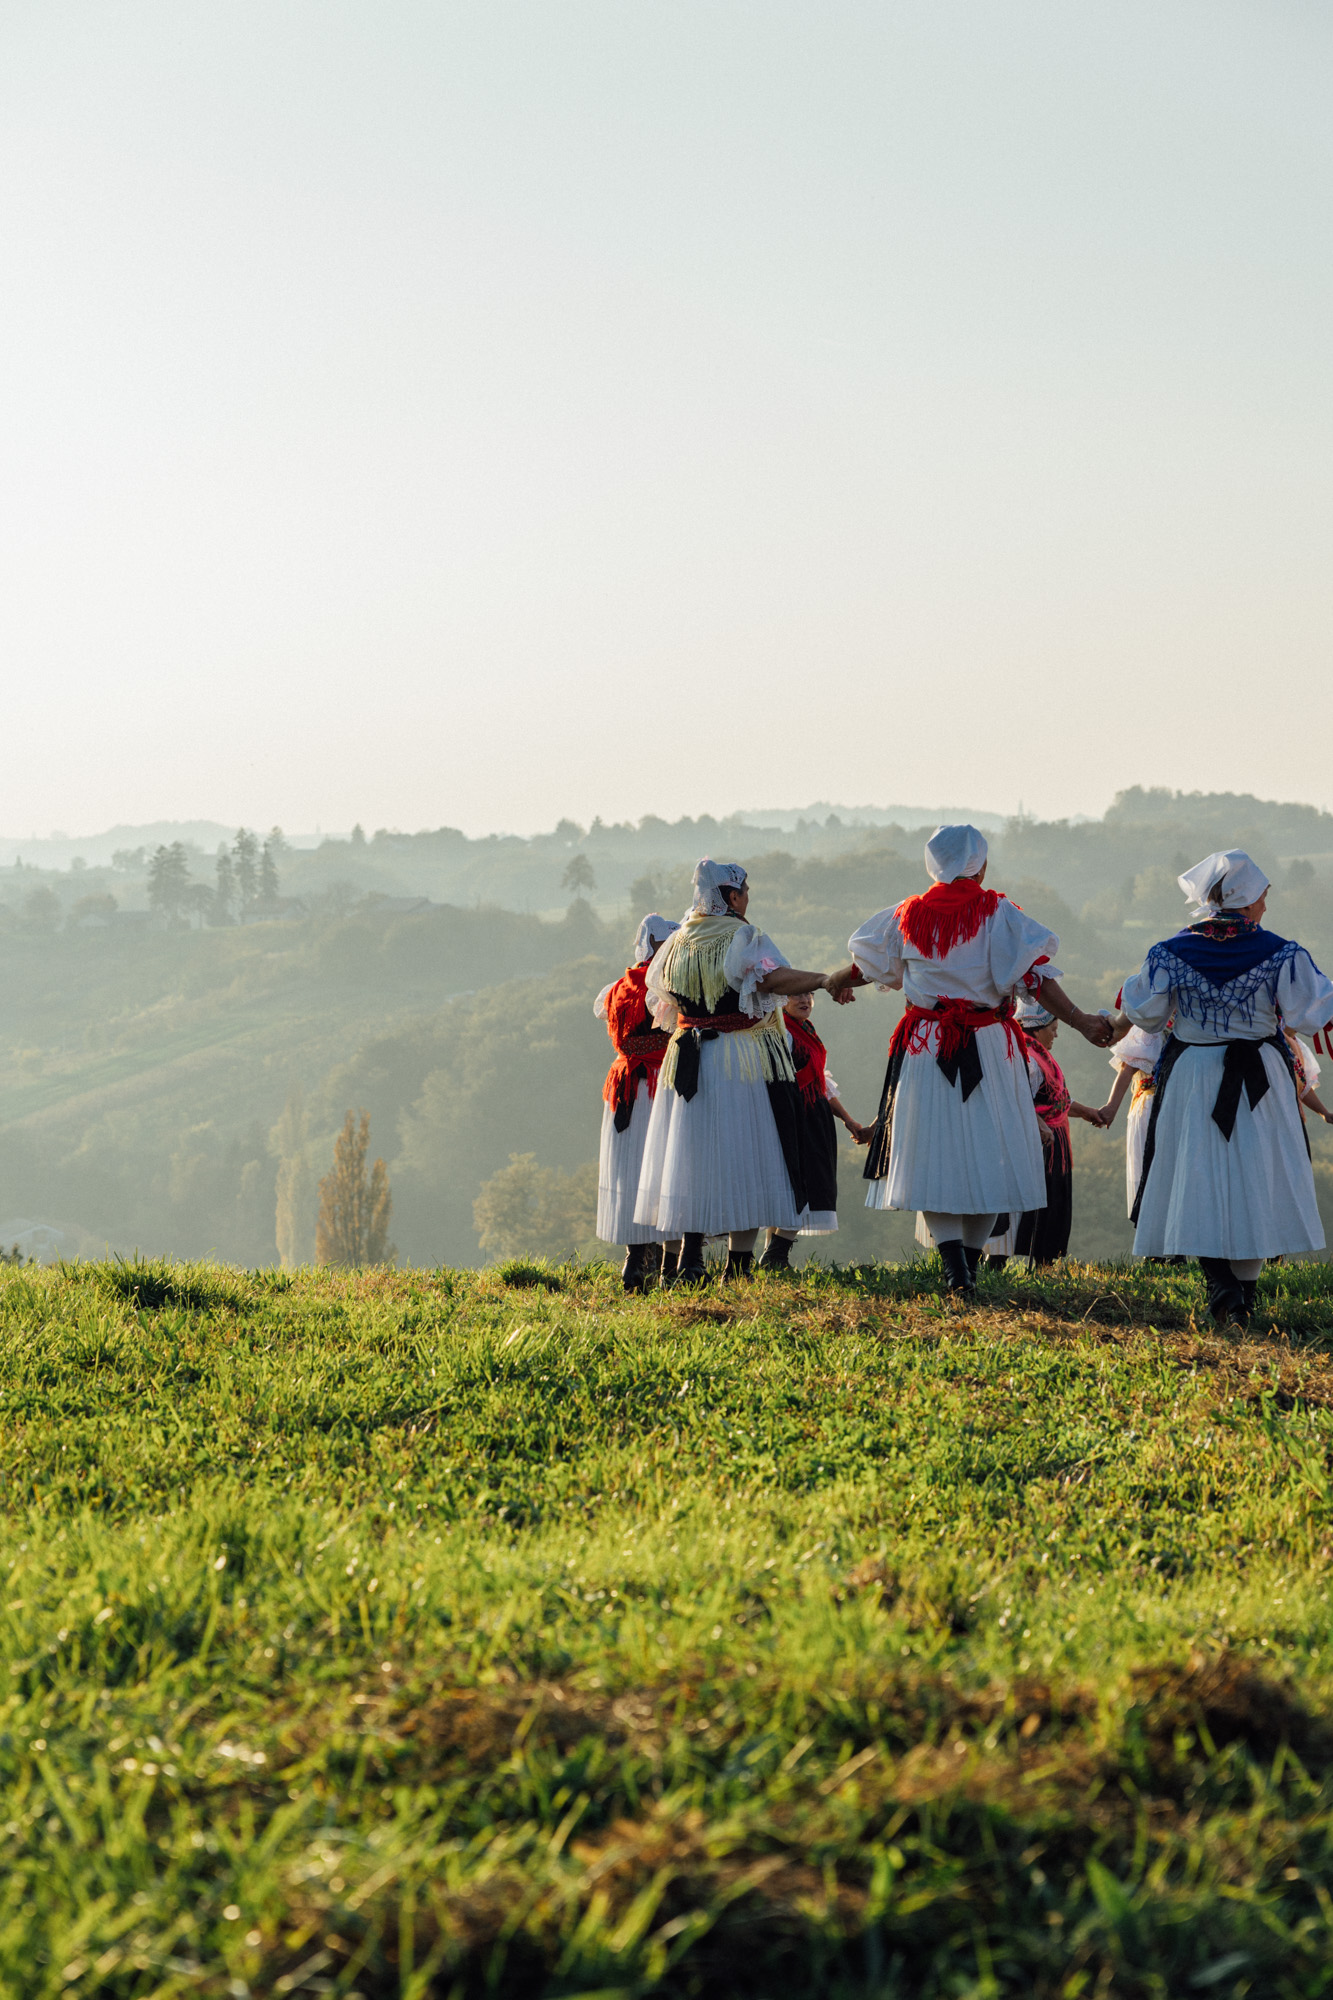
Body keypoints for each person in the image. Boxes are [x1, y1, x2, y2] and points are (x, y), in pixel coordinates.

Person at [824, 824, 1113, 1295]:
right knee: (994, 1152)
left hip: (927, 1046)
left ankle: (956, 1269)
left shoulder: (907, 915)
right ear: (980, 866)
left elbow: (868, 966)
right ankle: (968, 1269)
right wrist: (1081, 1021)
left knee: (933, 1155)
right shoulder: (998, 914)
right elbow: (1036, 980)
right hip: (989, 1045)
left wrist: (836, 979)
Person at [1107, 848, 1333, 1327]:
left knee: (1195, 1173)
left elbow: (1146, 1012)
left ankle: (1227, 1290)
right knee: (1255, 1174)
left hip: (1194, 1071)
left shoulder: (1171, 952)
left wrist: (1107, 1022)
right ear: (1246, 899)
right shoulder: (1281, 952)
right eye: (1263, 896)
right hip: (1261, 1076)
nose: (1266, 905)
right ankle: (1237, 1294)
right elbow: (1310, 1011)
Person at [634, 859, 839, 1284]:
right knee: (744, 1154)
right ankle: (738, 1265)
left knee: (691, 1155)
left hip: (685, 1057)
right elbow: (772, 979)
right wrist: (822, 979)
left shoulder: (677, 942)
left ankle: (690, 1257)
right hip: (736, 1057)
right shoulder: (742, 936)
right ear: (731, 896)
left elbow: (663, 996)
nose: (747, 899)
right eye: (744, 892)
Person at [594, 912, 681, 1291]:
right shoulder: (664, 985)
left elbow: (606, 1016)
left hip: (625, 1083)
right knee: (660, 1166)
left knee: (631, 1169)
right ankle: (659, 1261)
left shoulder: (618, 987)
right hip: (656, 1083)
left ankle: (637, 1259)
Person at [757, 991, 871, 1272]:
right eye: (796, 995)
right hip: (794, 1118)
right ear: (780, 1000)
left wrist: (848, 1119)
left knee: (807, 1180)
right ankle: (774, 1254)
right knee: (803, 1181)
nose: (805, 1000)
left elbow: (820, 1082)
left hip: (814, 1116)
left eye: (808, 995)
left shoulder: (806, 1030)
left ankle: (772, 1256)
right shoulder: (779, 1031)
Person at [1007, 994, 1105, 1264]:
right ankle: (1005, 1263)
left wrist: (1085, 1112)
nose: (1056, 1035)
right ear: (1037, 1029)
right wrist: (1039, 1123)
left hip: (1055, 1145)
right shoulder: (1028, 1059)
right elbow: (1017, 1100)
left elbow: (1056, 1100)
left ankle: (1044, 1265)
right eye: (1053, 1029)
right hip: (1039, 1146)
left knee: (1052, 1206)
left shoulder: (1041, 1056)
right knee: (1035, 1209)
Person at [1095, 1024, 1166, 1219]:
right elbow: (1128, 1069)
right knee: (1150, 1169)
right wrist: (1111, 1107)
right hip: (1151, 1105)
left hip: (1169, 1104)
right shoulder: (1150, 1028)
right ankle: (1150, 1223)